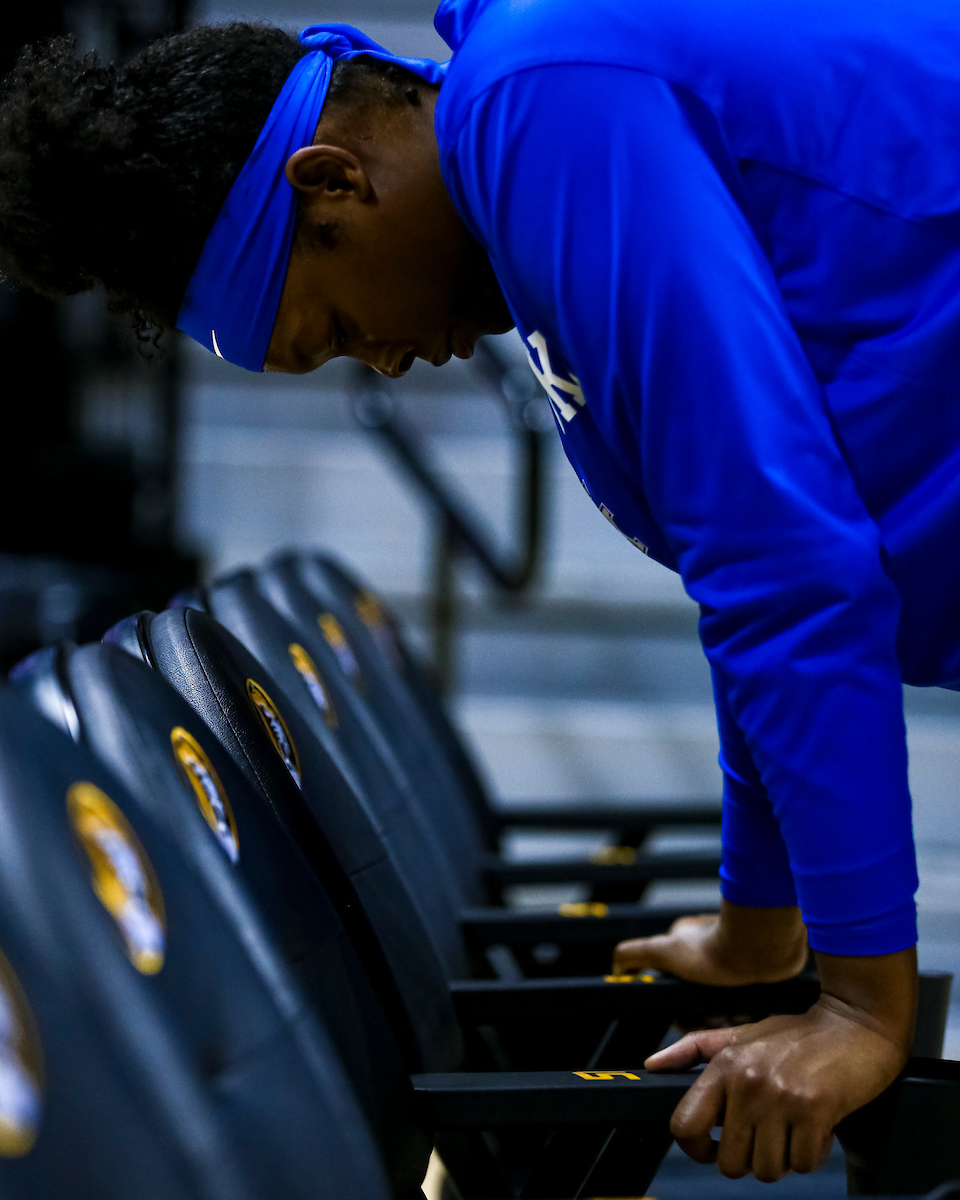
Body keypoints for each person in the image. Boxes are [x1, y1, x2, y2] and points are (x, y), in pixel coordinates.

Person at [0, 0, 954, 1183]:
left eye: (342, 327)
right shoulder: (543, 157)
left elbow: (786, 569)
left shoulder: (548, 100)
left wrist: (864, 1011)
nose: (390, 362)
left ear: (332, 178)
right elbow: (745, 579)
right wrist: (762, 920)